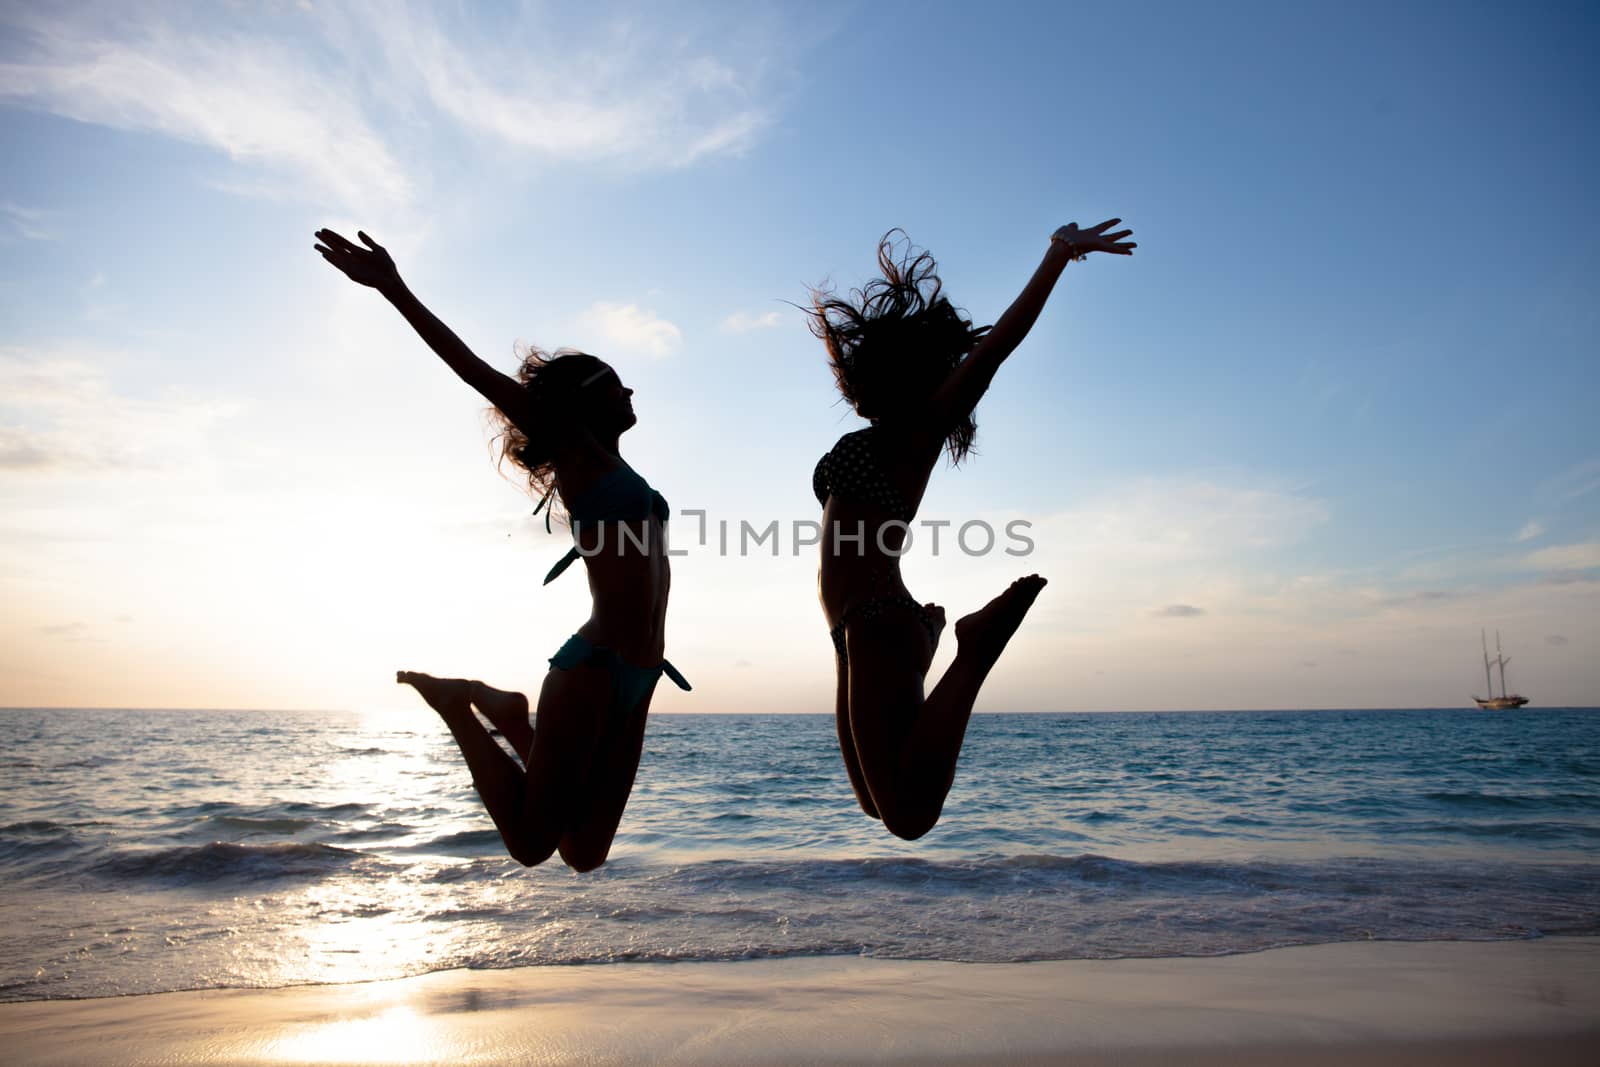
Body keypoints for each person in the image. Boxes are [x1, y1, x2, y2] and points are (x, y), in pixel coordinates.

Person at [314, 228, 687, 871]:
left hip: (642, 673)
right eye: (618, 385)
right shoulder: (574, 448)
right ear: (584, 400)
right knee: (530, 843)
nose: (631, 395)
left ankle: (513, 715)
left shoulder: (618, 469)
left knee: (584, 852)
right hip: (594, 667)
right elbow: (471, 369)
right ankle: (460, 708)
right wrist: (394, 288)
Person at [809, 220, 1134, 839]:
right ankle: (942, 643)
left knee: (908, 815)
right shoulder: (876, 437)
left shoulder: (918, 432)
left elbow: (996, 348)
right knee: (876, 806)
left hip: (876, 619)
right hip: (855, 627)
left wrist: (1058, 255)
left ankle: (976, 650)